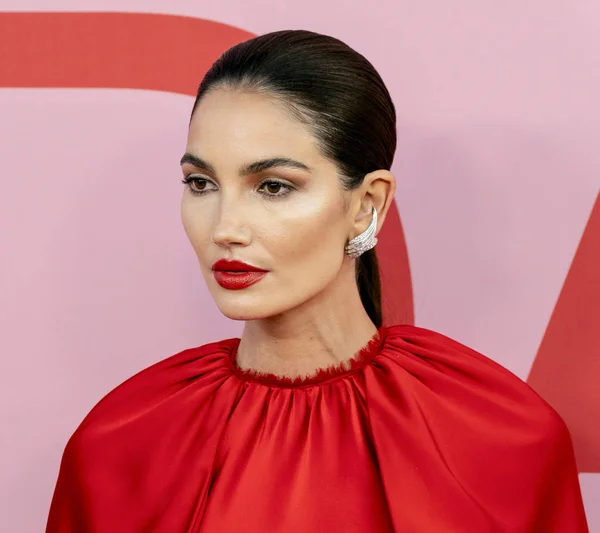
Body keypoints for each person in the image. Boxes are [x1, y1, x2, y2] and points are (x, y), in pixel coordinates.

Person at [46, 30, 589, 532]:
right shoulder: (121, 443)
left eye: (274, 187)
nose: (226, 229)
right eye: (202, 183)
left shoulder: (501, 438)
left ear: (366, 204)